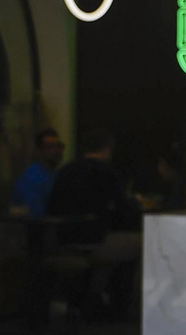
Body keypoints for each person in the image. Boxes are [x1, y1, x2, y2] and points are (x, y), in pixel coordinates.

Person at [48, 129, 143, 319]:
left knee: (110, 251)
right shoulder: (107, 173)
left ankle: (95, 296)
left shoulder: (65, 171)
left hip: (64, 239)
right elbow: (125, 209)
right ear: (107, 149)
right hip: (93, 241)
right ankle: (128, 305)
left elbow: (53, 205)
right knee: (142, 242)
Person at [11, 128, 65, 217]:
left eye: (58, 146)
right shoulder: (32, 178)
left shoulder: (56, 174)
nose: (56, 151)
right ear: (39, 151)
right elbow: (36, 215)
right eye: (50, 147)